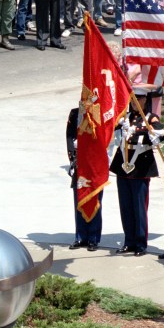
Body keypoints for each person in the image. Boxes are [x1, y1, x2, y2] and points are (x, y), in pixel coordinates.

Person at [110, 108, 161, 256]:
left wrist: (139, 130)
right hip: (123, 163)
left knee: (139, 208)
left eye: (140, 97)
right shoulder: (125, 116)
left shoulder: (151, 117)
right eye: (134, 97)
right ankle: (129, 241)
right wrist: (120, 125)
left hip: (140, 166)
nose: (136, 100)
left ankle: (140, 243)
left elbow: (159, 130)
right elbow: (111, 127)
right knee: (126, 207)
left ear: (146, 99)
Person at [66, 106, 102, 251]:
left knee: (95, 200)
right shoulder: (75, 113)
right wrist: (72, 160)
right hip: (80, 163)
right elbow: (69, 137)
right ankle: (80, 236)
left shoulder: (99, 112)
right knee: (79, 200)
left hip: (94, 164)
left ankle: (93, 238)